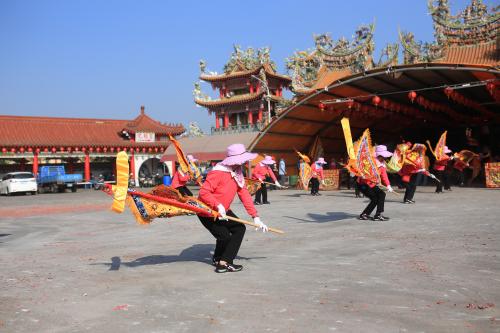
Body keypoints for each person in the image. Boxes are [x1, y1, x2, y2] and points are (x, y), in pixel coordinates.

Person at [197, 144, 268, 273]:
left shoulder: (237, 172)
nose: (243, 163)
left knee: (239, 228)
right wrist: (217, 205)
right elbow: (203, 193)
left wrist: (256, 217)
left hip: (224, 210)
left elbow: (245, 195)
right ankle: (225, 263)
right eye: (241, 160)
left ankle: (218, 258)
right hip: (207, 211)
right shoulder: (218, 172)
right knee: (224, 236)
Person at [358, 145, 394, 221]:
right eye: (384, 156)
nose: (386, 158)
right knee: (376, 197)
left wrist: (388, 185)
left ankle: (370, 214)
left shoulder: (382, 163)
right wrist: (370, 180)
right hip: (363, 184)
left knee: (381, 195)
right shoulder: (369, 162)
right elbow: (363, 174)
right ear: (379, 155)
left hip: (371, 183)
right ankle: (375, 215)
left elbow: (384, 175)